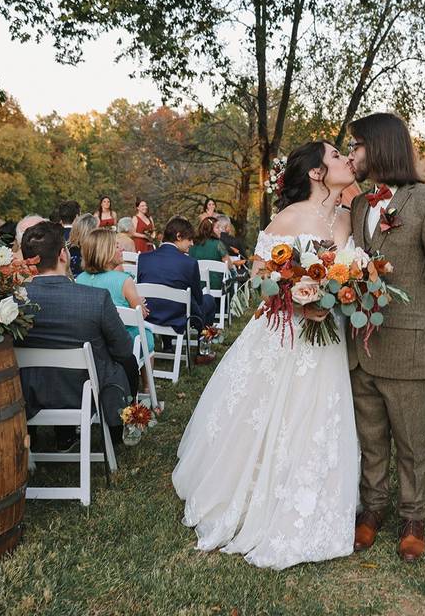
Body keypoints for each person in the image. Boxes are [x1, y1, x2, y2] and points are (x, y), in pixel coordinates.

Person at [173, 140, 360, 570]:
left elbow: (350, 270)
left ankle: (315, 494)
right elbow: (261, 277)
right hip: (288, 332)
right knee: (272, 411)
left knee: (318, 413)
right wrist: (298, 298)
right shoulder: (289, 218)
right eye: (334, 156)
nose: (344, 160)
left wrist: (339, 293)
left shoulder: (350, 220)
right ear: (316, 173)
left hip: (329, 334)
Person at [346, 113, 425, 563]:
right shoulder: (359, 206)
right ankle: (373, 508)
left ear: (379, 148)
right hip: (363, 344)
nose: (352, 154)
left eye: (357, 145)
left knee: (411, 441)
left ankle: (413, 517)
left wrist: (422, 314)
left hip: (410, 343)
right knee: (371, 436)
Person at [17, 221, 137, 449]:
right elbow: (123, 349)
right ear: (63, 254)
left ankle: (54, 438)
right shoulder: (96, 298)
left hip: (30, 393)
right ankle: (116, 434)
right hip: (86, 393)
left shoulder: (12, 302)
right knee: (126, 362)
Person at [75, 229, 156, 358]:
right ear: (105, 252)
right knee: (147, 336)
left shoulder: (79, 279)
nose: (122, 249)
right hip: (121, 343)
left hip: (91, 341)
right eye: (117, 246)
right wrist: (140, 304)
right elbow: (141, 316)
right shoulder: (124, 280)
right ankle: (146, 378)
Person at [135, 217, 216, 333]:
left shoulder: (143, 258)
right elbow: (198, 299)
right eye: (189, 239)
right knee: (209, 300)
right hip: (178, 318)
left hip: (150, 315)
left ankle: (167, 345)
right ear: (178, 236)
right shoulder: (190, 263)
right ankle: (203, 342)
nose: (192, 243)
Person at [188, 217, 230, 291]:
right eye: (217, 228)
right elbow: (229, 265)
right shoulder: (218, 244)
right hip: (215, 286)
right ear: (209, 230)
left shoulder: (192, 244)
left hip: (196, 285)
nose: (220, 230)